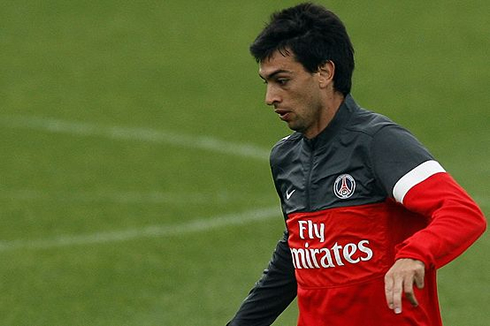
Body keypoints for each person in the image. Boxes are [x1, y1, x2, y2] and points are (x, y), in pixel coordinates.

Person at [226, 3, 487, 326]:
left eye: (282, 80)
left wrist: (415, 254)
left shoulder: (378, 143)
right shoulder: (285, 158)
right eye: (266, 82)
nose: (270, 97)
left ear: (324, 72)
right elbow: (296, 255)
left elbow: (461, 213)